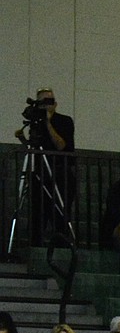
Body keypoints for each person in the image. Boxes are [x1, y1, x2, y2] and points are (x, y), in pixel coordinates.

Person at [14, 87, 75, 245]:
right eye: (43, 102)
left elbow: (60, 145)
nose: (48, 104)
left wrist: (47, 122)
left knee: (60, 214)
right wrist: (23, 140)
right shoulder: (36, 123)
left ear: (55, 104)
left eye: (50, 101)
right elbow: (34, 148)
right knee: (37, 215)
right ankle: (35, 250)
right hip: (40, 173)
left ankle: (62, 251)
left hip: (61, 173)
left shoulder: (65, 121)